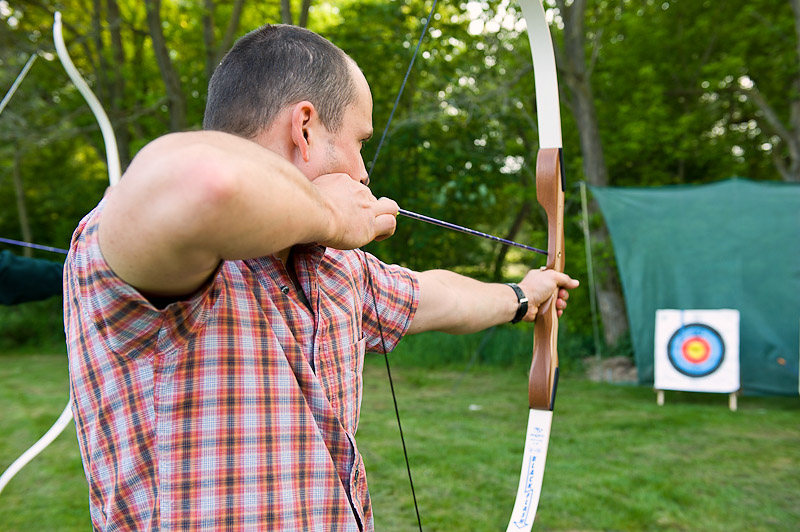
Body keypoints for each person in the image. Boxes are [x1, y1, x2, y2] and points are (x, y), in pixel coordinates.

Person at [64, 24, 579, 532]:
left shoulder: (333, 266)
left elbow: (436, 298)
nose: (364, 172)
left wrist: (523, 295)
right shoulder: (155, 246)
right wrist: (332, 216)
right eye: (359, 141)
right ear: (304, 128)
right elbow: (205, 182)